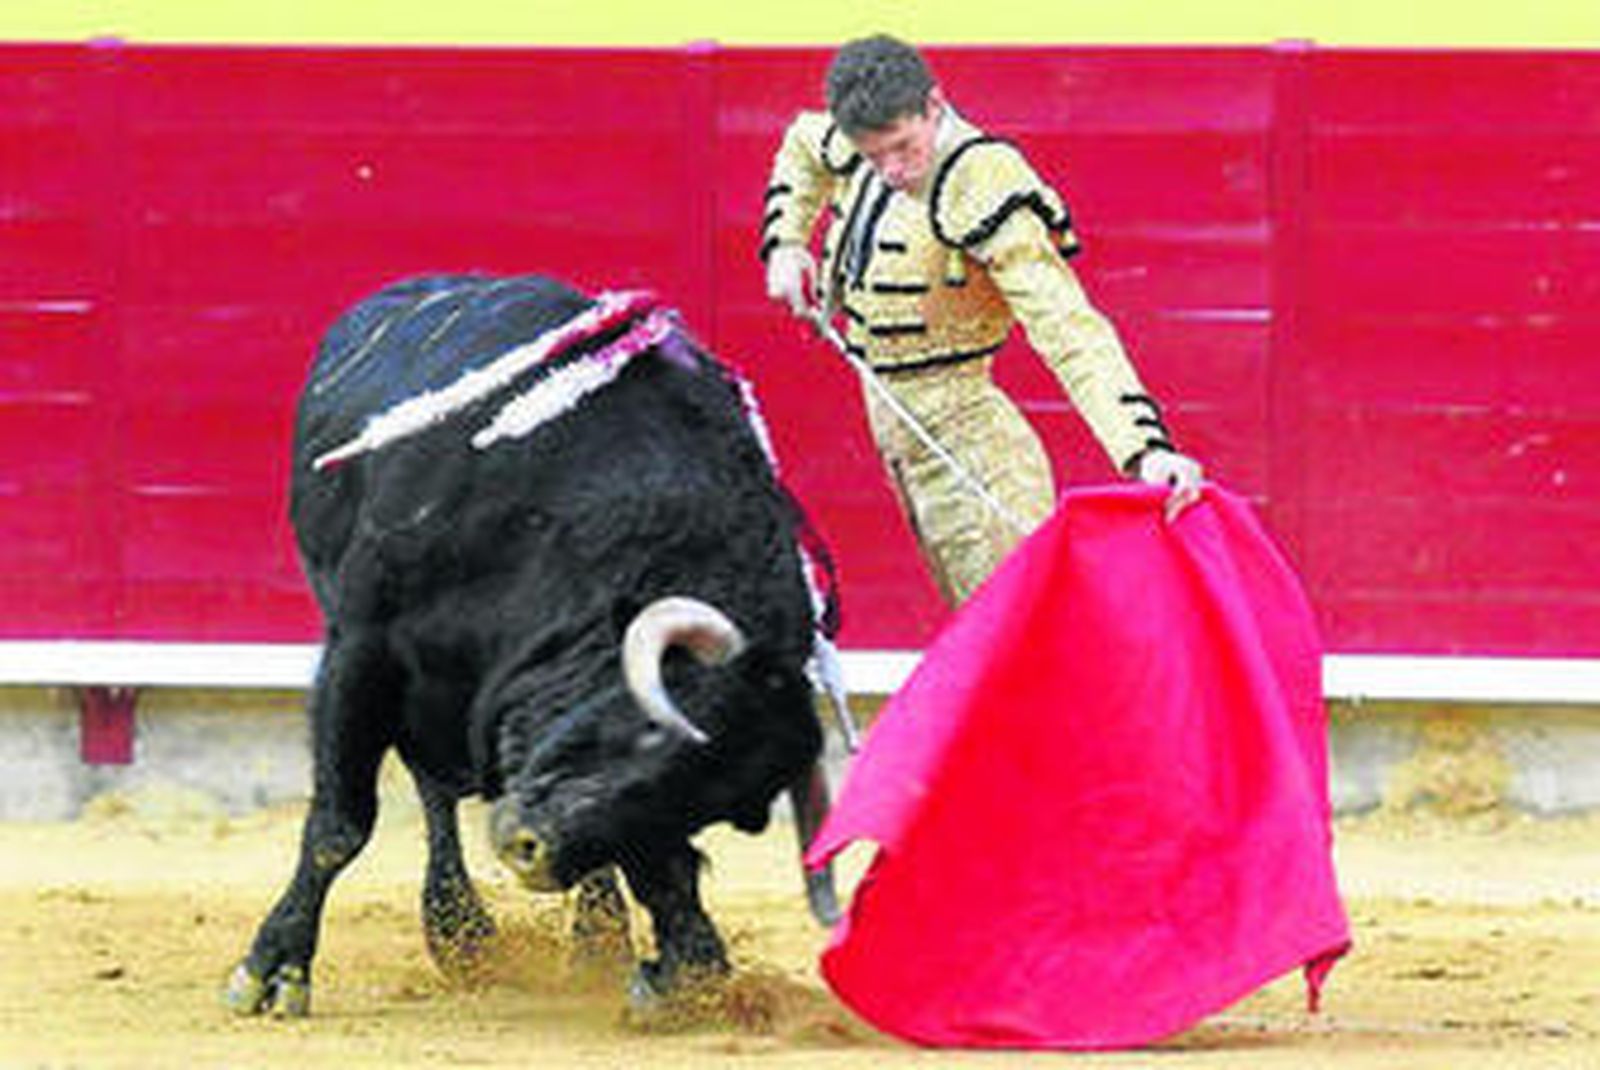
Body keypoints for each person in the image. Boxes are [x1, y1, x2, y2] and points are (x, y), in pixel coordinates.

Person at [761, 34, 1204, 606]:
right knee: (979, 632)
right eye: (874, 156)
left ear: (934, 106)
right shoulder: (858, 145)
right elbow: (803, 143)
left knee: (1017, 637)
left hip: (976, 452)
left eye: (903, 147)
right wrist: (787, 242)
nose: (892, 170)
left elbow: (1067, 326)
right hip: (901, 440)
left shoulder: (984, 182)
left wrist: (1145, 449)